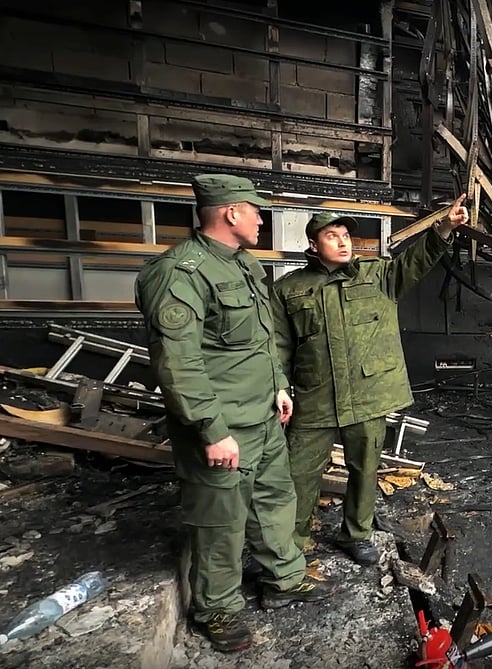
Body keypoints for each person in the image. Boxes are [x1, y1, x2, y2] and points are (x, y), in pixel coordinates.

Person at [134, 174, 335, 653]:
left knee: (274, 502)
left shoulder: (243, 264)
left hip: (262, 416)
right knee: (220, 521)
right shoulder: (180, 273)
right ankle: (217, 609)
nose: (261, 218)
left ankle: (282, 578)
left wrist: (279, 387)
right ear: (230, 213)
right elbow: (178, 364)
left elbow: (262, 339)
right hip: (222, 426)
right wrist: (211, 429)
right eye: (255, 209)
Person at [272, 195, 470, 565]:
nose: (344, 241)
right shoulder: (288, 290)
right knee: (297, 474)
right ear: (313, 245)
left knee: (364, 470)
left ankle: (356, 533)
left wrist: (444, 227)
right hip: (315, 396)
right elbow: (277, 345)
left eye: (346, 234)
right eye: (333, 235)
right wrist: (280, 386)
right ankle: (289, 546)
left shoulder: (377, 275)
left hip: (366, 395)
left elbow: (417, 259)